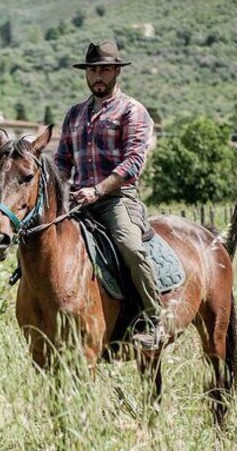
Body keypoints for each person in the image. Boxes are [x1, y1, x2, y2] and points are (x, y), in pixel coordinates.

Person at [54, 40, 163, 350]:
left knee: (130, 246)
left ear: (117, 71)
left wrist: (98, 190)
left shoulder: (133, 111)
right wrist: (59, 189)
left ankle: (153, 318)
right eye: (92, 70)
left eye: (103, 70)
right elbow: (62, 161)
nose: (97, 76)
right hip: (77, 200)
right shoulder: (74, 114)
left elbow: (133, 163)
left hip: (117, 199)